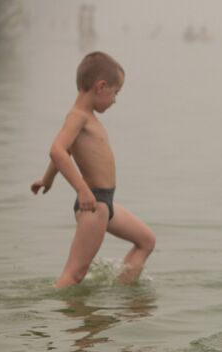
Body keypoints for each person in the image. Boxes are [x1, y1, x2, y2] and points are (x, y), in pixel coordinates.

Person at [31, 51, 155, 289]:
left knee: (146, 241)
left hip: (105, 203)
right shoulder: (78, 117)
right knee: (74, 273)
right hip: (93, 202)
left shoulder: (86, 118)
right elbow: (57, 150)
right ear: (100, 86)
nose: (115, 99)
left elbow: (64, 153)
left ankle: (123, 292)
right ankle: (48, 319)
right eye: (115, 92)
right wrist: (82, 190)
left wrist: (47, 180)